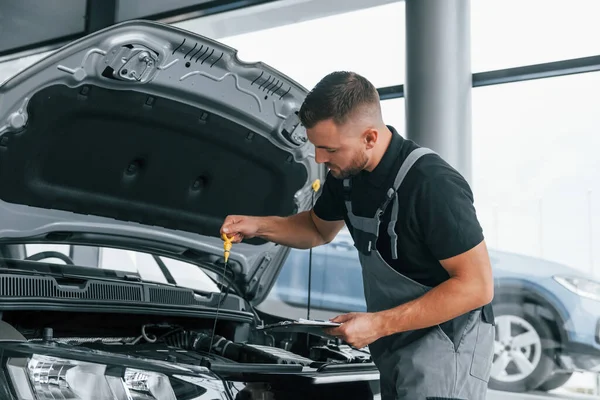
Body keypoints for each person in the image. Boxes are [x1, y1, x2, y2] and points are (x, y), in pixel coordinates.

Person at [220, 71, 495, 400]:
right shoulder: (347, 174)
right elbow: (317, 229)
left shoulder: (431, 184)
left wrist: (378, 325)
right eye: (317, 147)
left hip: (447, 345)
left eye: (329, 149)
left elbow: (477, 286)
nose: (320, 159)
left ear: (369, 138)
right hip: (396, 338)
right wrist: (257, 226)